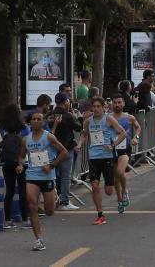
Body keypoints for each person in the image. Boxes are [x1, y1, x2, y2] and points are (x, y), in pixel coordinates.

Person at [19, 112, 68, 251]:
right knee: (32, 206)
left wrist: (51, 165)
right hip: (32, 176)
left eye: (38, 119)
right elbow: (21, 156)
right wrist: (20, 165)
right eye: (33, 119)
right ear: (30, 122)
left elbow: (64, 152)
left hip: (47, 177)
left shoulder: (49, 137)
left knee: (49, 211)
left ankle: (55, 195)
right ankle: (39, 239)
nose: (35, 121)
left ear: (43, 122)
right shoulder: (26, 139)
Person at [77, 97, 126, 225]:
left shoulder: (108, 119)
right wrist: (79, 144)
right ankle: (100, 215)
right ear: (92, 108)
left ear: (103, 107)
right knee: (94, 186)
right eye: (94, 106)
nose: (97, 109)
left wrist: (113, 145)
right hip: (93, 157)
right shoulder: (88, 121)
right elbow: (84, 134)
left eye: (99, 106)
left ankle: (121, 195)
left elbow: (123, 133)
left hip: (107, 157)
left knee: (109, 191)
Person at [48, 92, 82, 210]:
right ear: (65, 102)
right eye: (68, 101)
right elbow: (78, 127)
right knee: (65, 176)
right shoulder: (68, 116)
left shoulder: (50, 114)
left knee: (53, 176)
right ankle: (64, 201)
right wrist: (77, 117)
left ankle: (53, 199)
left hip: (52, 150)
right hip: (66, 149)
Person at [0, 104, 30, 229]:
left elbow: (4, 142)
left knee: (10, 190)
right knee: (23, 189)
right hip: (22, 161)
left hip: (7, 162)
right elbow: (25, 145)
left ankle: (7, 220)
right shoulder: (25, 128)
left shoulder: (3, 127)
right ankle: (26, 219)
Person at [110, 96, 141, 213]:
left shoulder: (129, 117)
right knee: (115, 177)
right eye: (115, 102)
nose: (117, 104)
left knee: (120, 171)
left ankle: (125, 191)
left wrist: (136, 137)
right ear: (112, 104)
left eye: (119, 102)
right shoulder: (108, 118)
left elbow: (138, 128)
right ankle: (119, 200)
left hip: (124, 148)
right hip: (111, 149)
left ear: (123, 104)